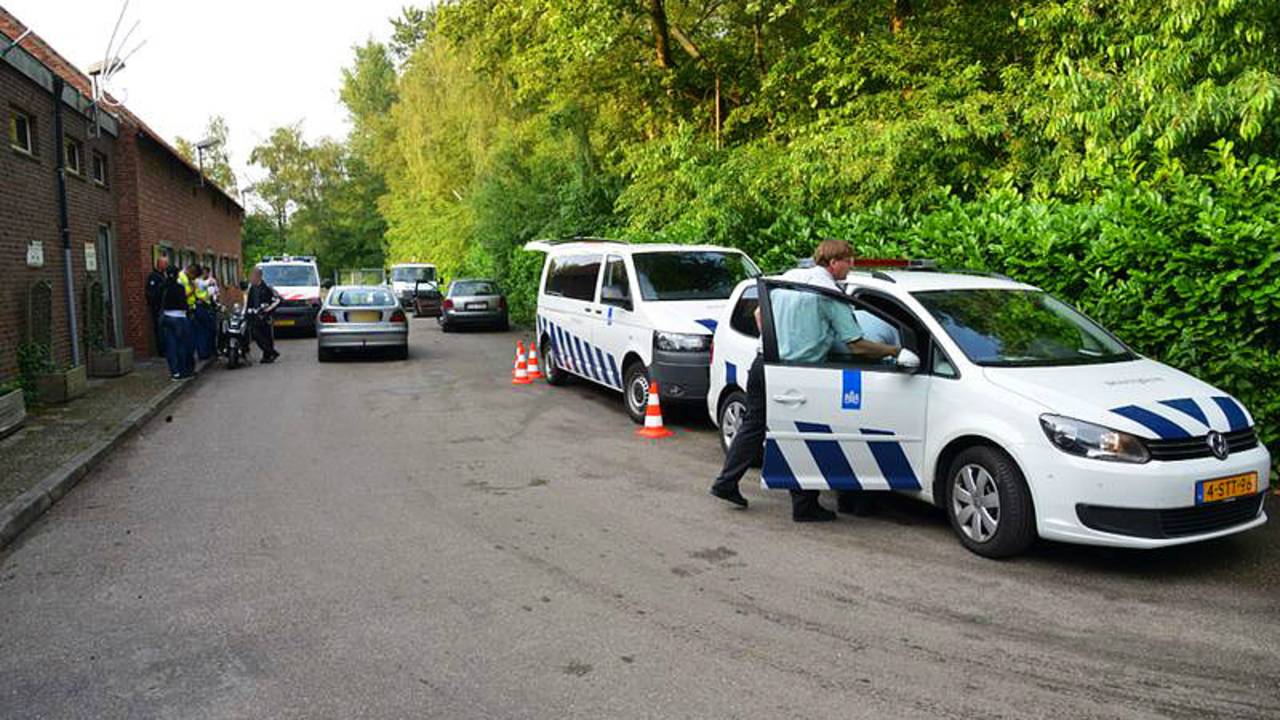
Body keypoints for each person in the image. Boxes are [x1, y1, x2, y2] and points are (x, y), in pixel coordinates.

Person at [710, 239, 901, 522]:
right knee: (808, 433)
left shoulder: (789, 278)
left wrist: (779, 339)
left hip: (764, 364)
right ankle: (804, 505)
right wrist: (894, 351)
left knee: (754, 426)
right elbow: (856, 345)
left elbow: (759, 313)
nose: (852, 267)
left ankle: (726, 482)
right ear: (834, 262)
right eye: (849, 261)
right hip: (801, 371)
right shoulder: (828, 293)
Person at [159, 266, 193, 380]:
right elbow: (183, 303)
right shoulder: (180, 288)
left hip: (167, 317)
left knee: (171, 346)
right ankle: (182, 370)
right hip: (179, 317)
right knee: (182, 345)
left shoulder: (163, 287)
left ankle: (174, 372)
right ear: (177, 275)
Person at [245, 267, 282, 363]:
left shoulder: (267, 288)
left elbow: (278, 300)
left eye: (252, 276)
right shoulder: (251, 289)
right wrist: (247, 314)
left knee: (266, 336)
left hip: (266, 317)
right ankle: (271, 352)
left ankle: (267, 356)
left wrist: (268, 311)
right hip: (255, 317)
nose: (251, 278)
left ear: (259, 276)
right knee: (256, 335)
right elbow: (249, 303)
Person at [145, 255, 169, 357]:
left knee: (165, 329)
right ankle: (161, 351)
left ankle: (165, 349)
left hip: (165, 307)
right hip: (158, 308)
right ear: (159, 264)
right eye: (165, 263)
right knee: (160, 329)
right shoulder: (154, 276)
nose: (167, 265)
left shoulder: (164, 276)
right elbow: (151, 293)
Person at [178, 263, 199, 373]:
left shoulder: (186, 278)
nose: (194, 279)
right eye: (194, 276)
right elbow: (181, 296)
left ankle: (190, 368)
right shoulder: (181, 278)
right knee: (187, 342)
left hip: (190, 310)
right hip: (184, 312)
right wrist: (193, 290)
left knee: (191, 341)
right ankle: (186, 368)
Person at [193, 265, 216, 361]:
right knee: (206, 331)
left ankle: (203, 352)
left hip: (199, 307)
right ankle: (205, 352)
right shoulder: (204, 282)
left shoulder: (195, 281)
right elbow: (212, 293)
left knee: (201, 331)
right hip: (203, 307)